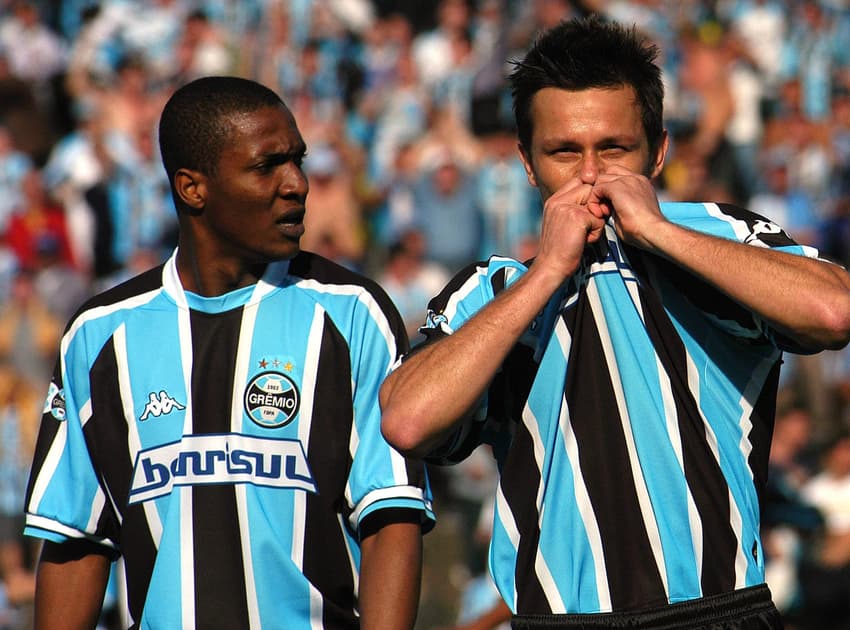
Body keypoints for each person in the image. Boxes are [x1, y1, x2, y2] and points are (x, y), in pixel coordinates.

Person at [380, 17, 850, 629]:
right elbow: (408, 419)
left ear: (658, 152)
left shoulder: (719, 235)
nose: (590, 175)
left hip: (714, 612)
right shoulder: (489, 292)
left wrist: (656, 230)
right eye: (563, 152)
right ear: (527, 163)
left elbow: (834, 310)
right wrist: (546, 272)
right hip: (561, 620)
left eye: (614, 149)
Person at [23, 75, 434, 629]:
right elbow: (77, 541)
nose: (297, 185)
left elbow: (391, 518)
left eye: (299, 161)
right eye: (268, 166)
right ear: (194, 188)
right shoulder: (99, 336)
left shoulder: (352, 314)